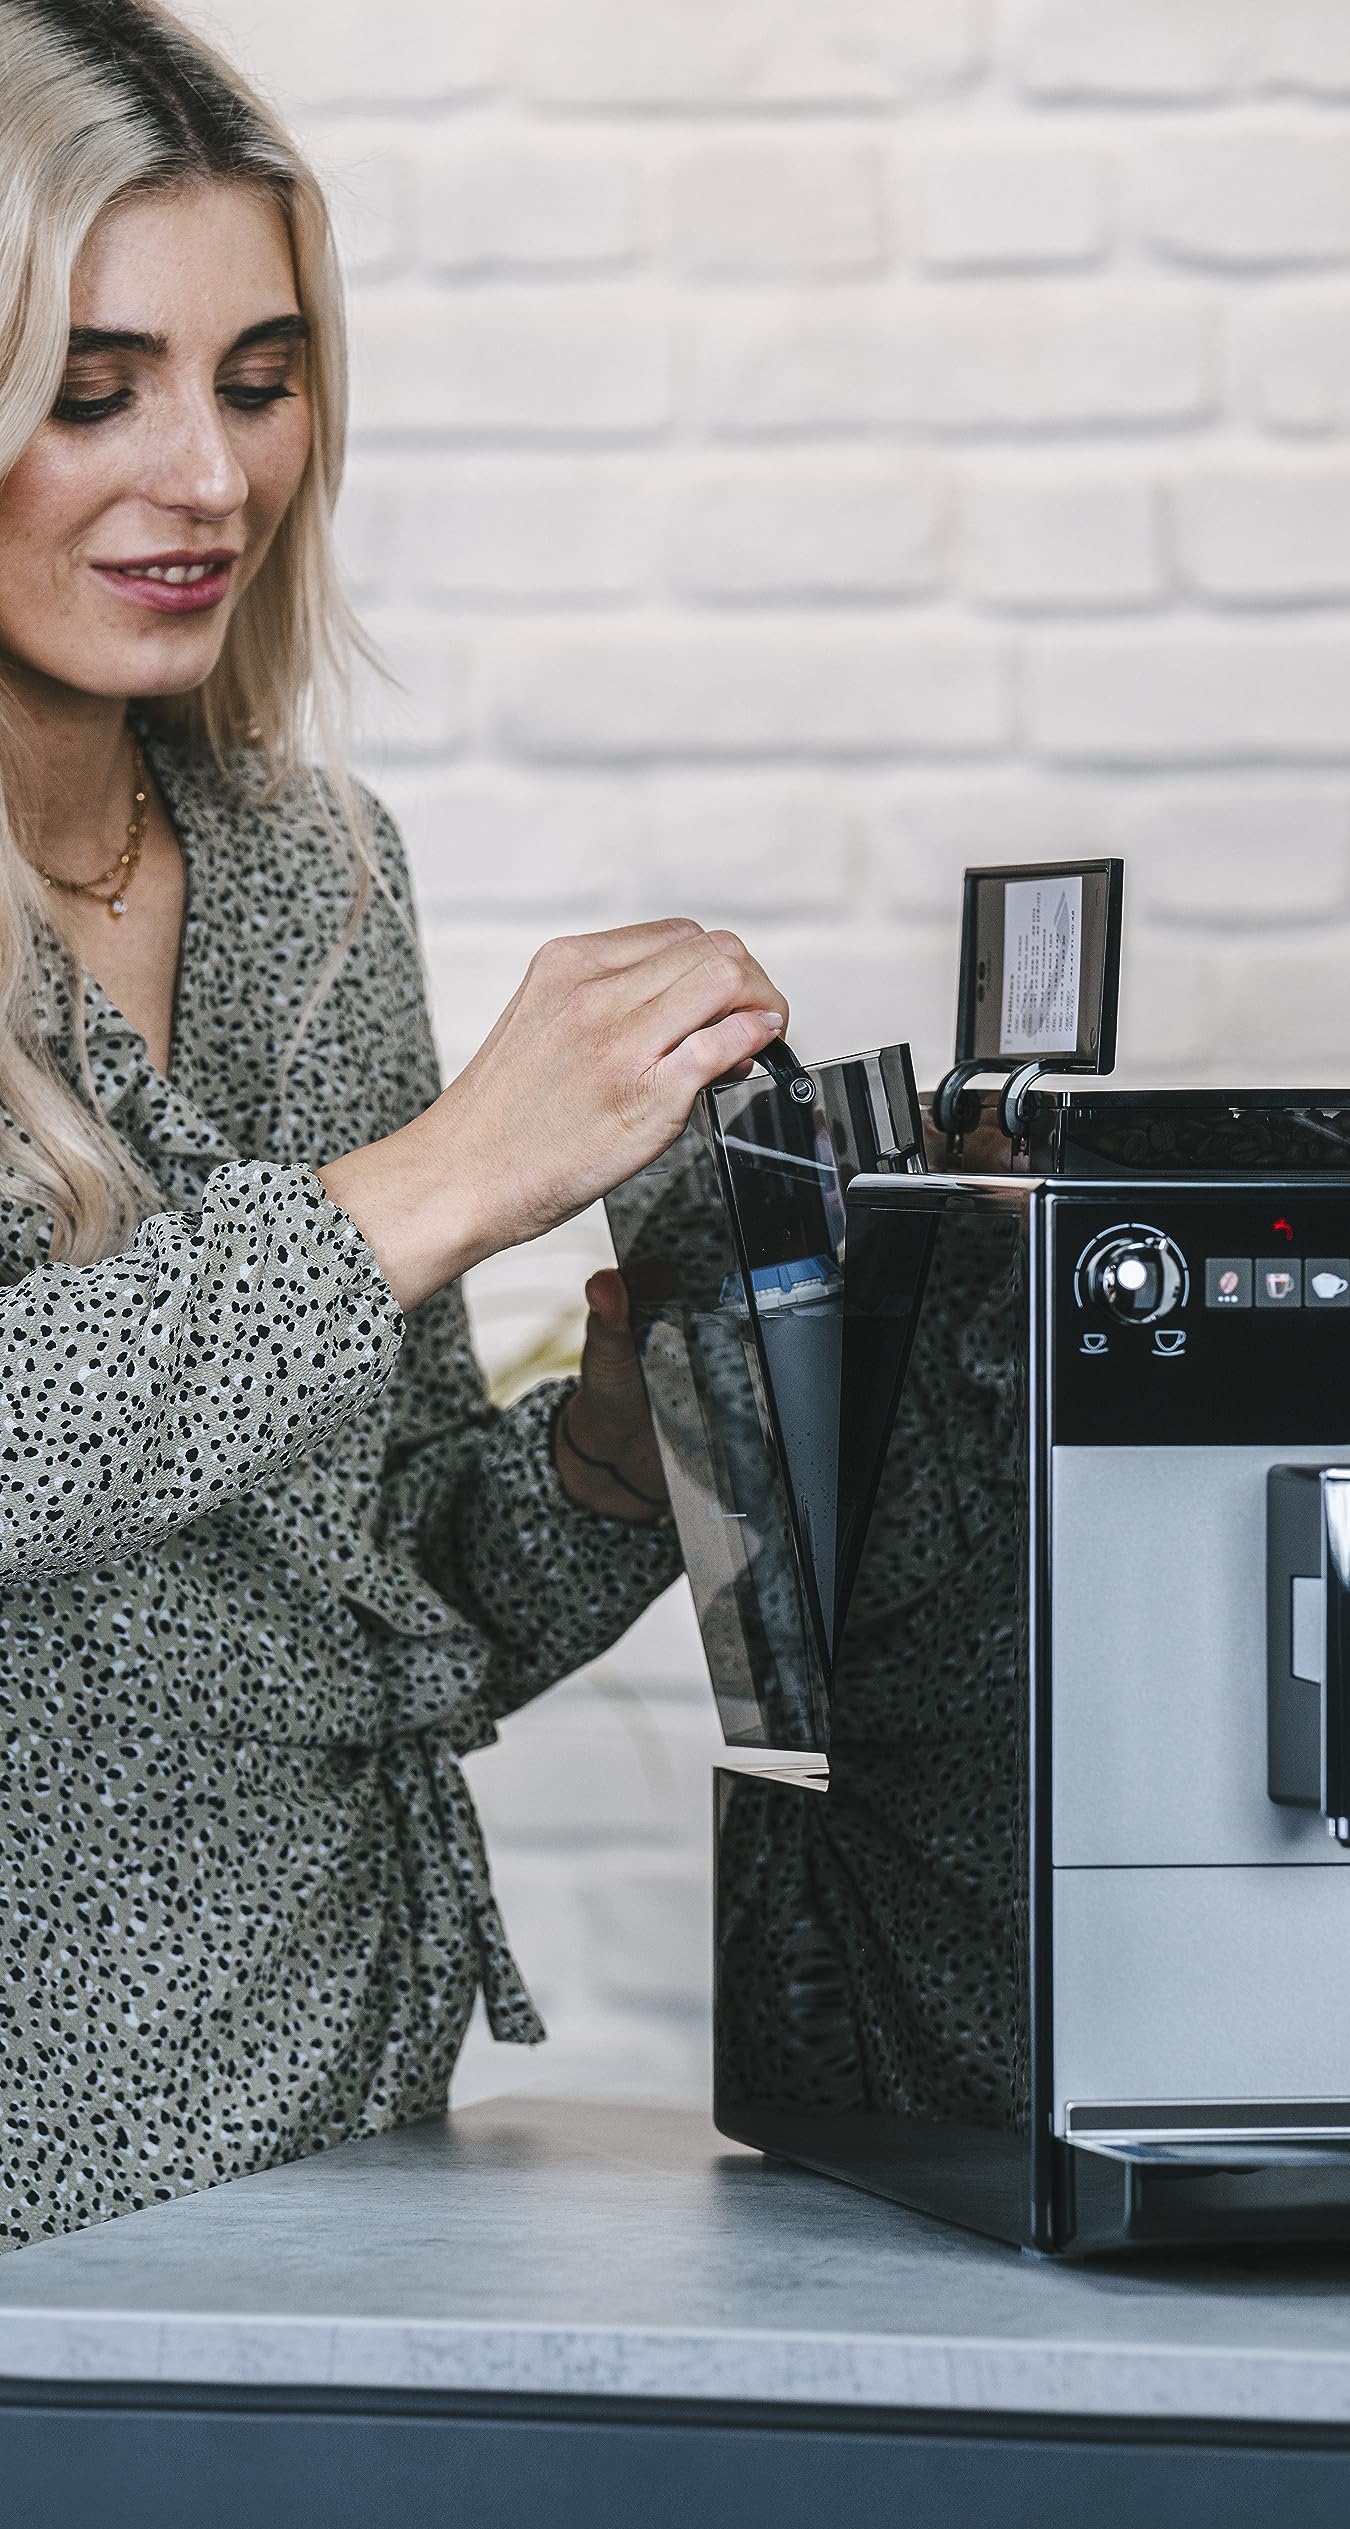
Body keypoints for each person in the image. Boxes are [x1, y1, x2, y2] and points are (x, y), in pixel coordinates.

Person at [0, 0, 789, 2251]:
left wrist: (629, 1450)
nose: (211, 476)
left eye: (258, 379)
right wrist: (445, 1177)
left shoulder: (315, 870)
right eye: (92, 388)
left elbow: (395, 1591)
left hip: (360, 2145)